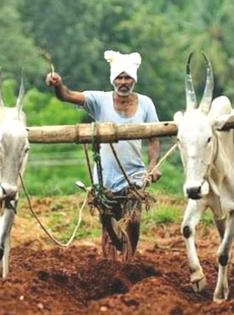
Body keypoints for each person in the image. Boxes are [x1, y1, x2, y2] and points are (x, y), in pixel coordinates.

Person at [45, 50, 161, 259]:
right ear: (113, 80)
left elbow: (154, 138)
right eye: (119, 77)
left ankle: (130, 258)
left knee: (133, 220)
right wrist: (58, 85)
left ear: (134, 80)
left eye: (127, 78)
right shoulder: (99, 100)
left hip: (133, 176)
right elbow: (67, 96)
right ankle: (109, 264)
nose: (123, 82)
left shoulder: (146, 103)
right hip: (105, 177)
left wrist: (153, 165)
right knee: (107, 221)